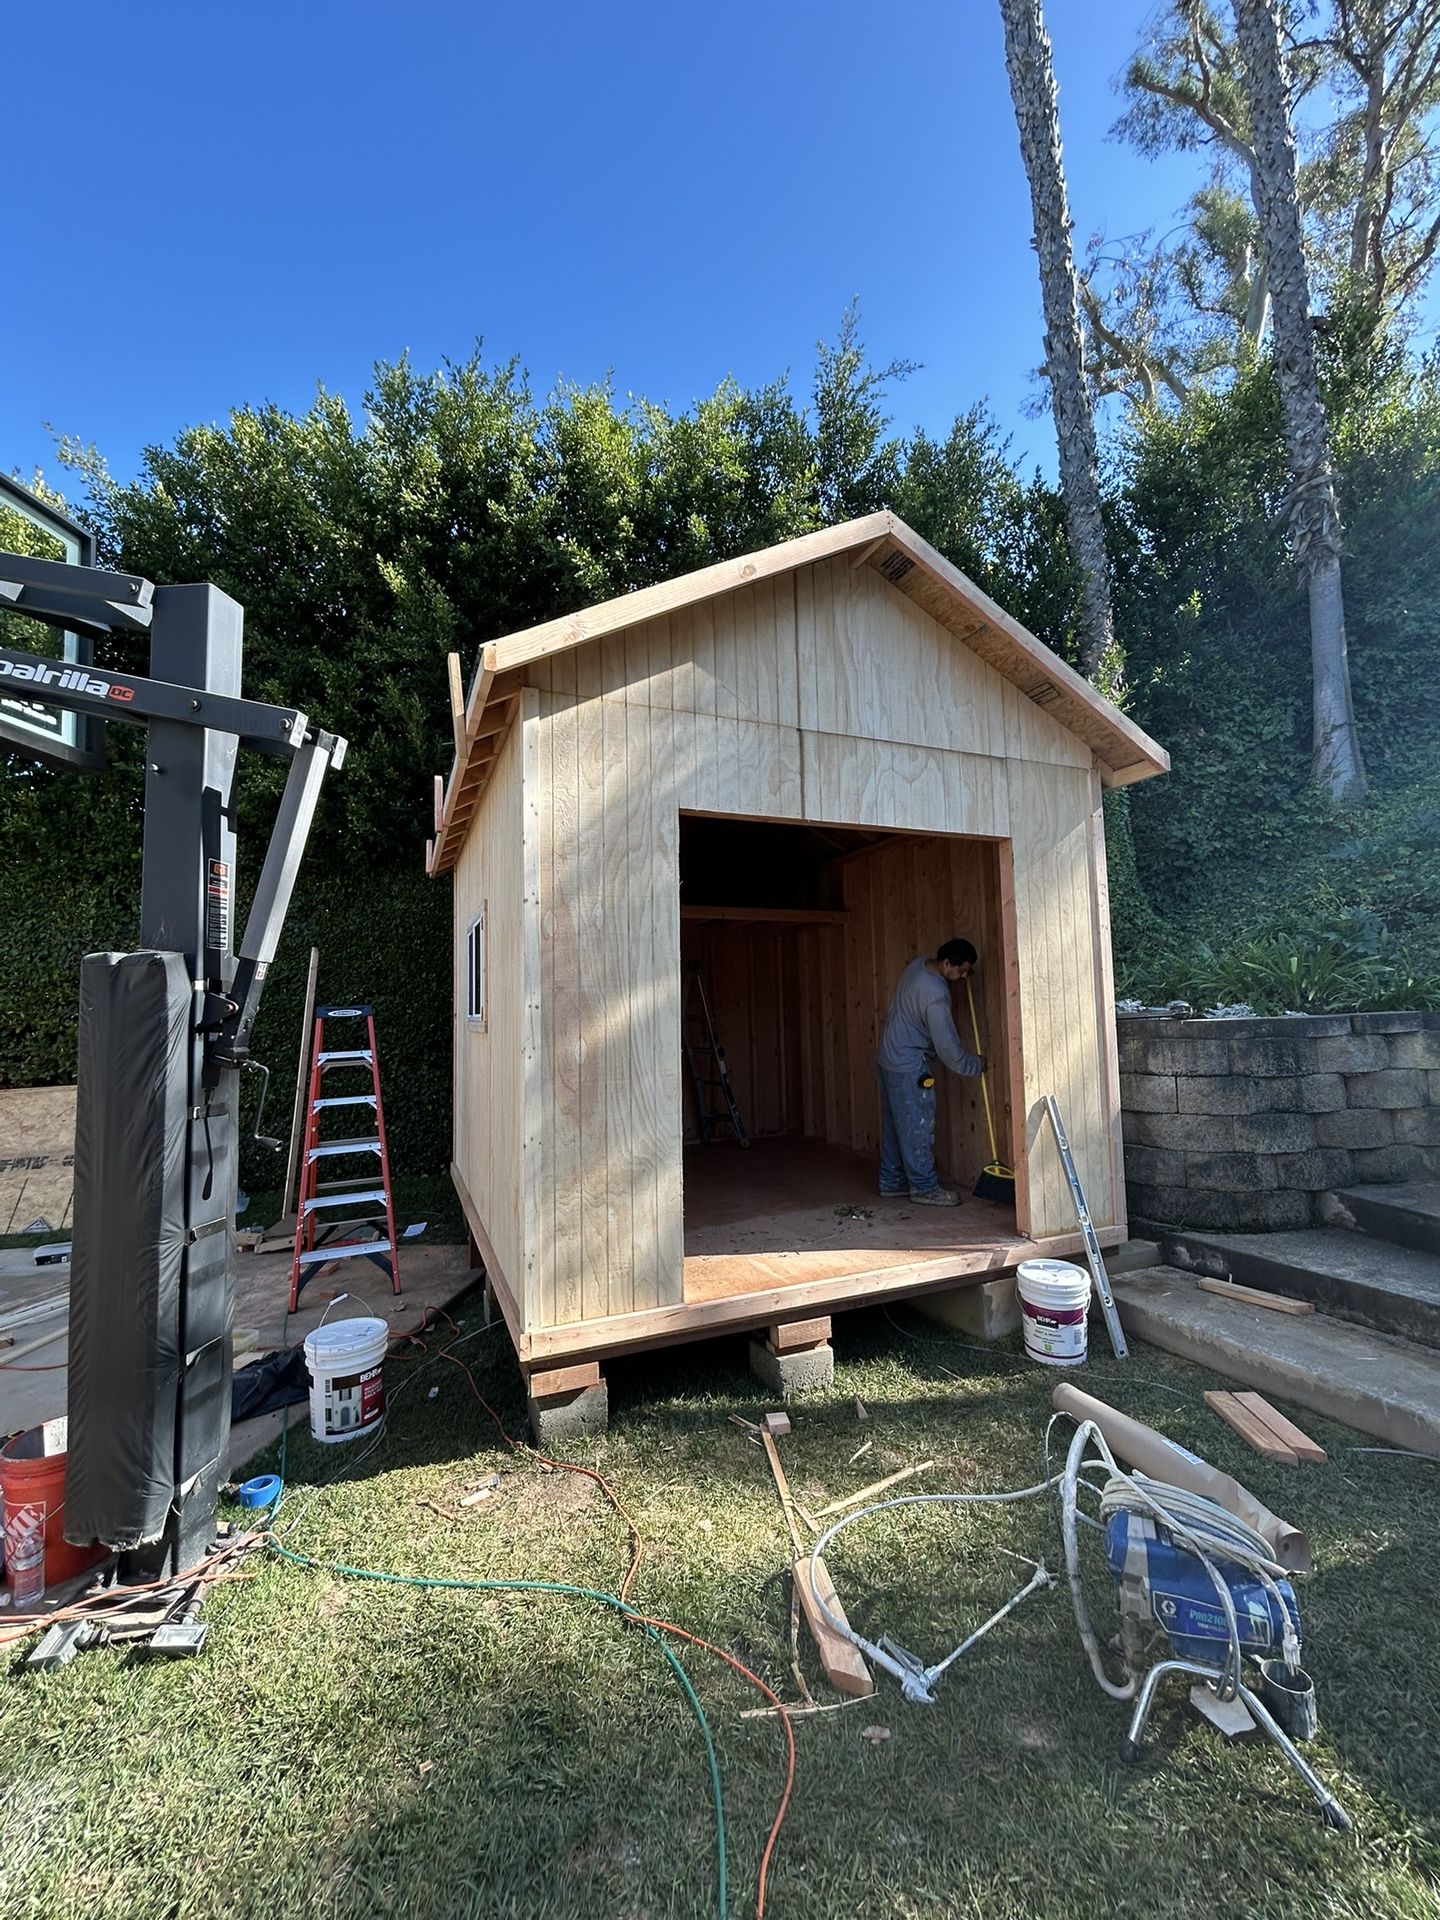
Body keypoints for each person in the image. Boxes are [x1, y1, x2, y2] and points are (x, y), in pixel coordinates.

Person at [875, 938, 983, 1206]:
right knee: (916, 1125)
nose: (963, 977)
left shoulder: (918, 965)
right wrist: (974, 1065)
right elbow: (948, 1049)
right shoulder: (936, 994)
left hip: (887, 1057)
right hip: (909, 1065)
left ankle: (892, 1181)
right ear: (947, 963)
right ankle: (924, 1187)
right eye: (961, 970)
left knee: (895, 1124)